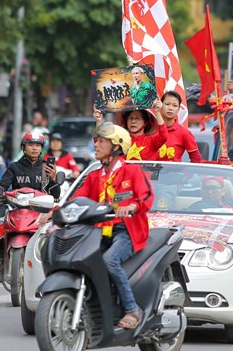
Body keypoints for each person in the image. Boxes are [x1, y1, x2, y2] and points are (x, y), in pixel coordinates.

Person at [72, 123, 154, 330]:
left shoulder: (132, 170)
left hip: (125, 231)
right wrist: (54, 211)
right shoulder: (94, 176)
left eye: (101, 141)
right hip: (98, 231)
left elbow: (147, 195)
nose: (96, 145)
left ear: (116, 146)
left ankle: (132, 309)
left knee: (110, 260)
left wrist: (134, 205)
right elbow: (77, 198)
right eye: (96, 140)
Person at [0, 131, 61, 201]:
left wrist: (53, 179)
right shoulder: (14, 167)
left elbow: (56, 196)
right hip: (18, 207)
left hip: (41, 209)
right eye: (30, 145)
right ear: (24, 147)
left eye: (38, 145)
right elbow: (2, 185)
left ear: (41, 148)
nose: (34, 148)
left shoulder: (47, 167)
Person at [157, 91, 202, 162]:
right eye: (167, 104)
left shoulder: (184, 133)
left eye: (175, 105)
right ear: (160, 105)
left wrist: (187, 173)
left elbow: (196, 158)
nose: (170, 108)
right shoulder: (150, 129)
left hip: (173, 172)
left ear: (178, 109)